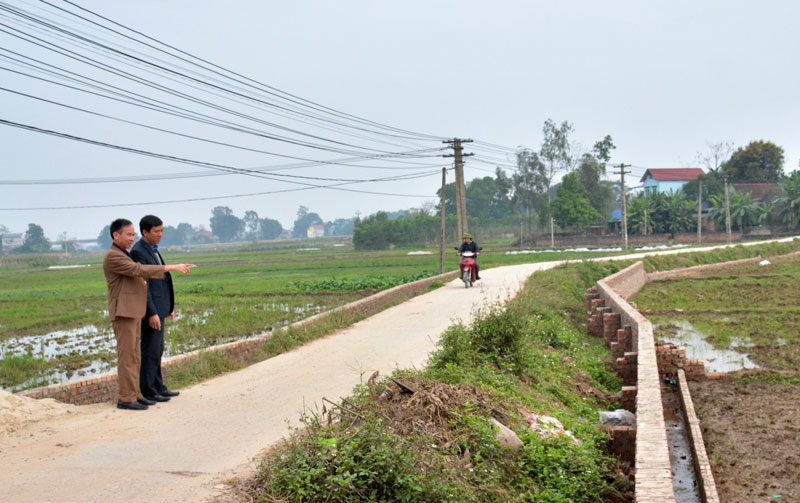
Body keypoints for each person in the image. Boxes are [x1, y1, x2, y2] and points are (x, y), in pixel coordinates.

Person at [103, 218, 192, 411]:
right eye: (128, 234)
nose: (131, 238)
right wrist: (170, 267)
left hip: (133, 311)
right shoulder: (114, 256)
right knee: (127, 357)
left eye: (132, 234)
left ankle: (136, 394)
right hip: (123, 312)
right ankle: (126, 398)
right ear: (115, 235)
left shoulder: (124, 253)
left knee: (135, 355)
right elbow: (139, 270)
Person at [131, 215, 180, 403]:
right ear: (145, 232)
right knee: (150, 350)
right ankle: (148, 389)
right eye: (156, 231)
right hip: (151, 311)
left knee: (157, 349)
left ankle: (159, 386)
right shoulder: (139, 252)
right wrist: (151, 312)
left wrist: (169, 306)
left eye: (162, 231)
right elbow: (145, 286)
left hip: (161, 307)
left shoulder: (153, 250)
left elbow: (163, 280)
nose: (160, 235)